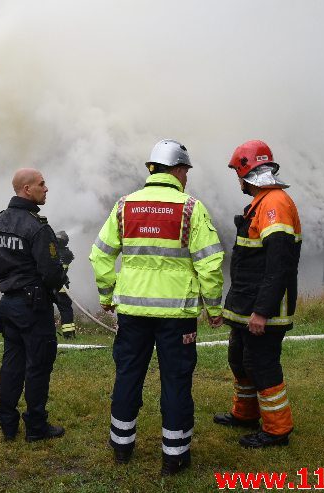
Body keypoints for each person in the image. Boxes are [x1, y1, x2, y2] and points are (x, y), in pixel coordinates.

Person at [89, 139, 224, 475]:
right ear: (178, 170)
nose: (187, 177)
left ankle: (121, 447)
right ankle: (174, 456)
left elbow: (100, 255)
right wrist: (214, 307)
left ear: (152, 169)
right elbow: (209, 263)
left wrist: (107, 296)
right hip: (177, 316)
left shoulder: (124, 206)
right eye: (186, 171)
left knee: (128, 375)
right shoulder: (191, 208)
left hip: (132, 313)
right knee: (176, 382)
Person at [213, 139, 302, 448]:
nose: (236, 180)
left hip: (264, 307)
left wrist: (262, 311)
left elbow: (279, 264)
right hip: (246, 303)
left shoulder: (274, 204)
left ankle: (277, 430)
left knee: (262, 365)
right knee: (240, 359)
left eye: (237, 173)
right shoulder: (261, 203)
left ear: (245, 171)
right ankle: (245, 414)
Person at [0, 168, 67, 442]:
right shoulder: (37, 227)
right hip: (34, 308)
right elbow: (52, 274)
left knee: (12, 364)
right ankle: (36, 426)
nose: (47, 188)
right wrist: (57, 276)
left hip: (9, 305)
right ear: (26, 189)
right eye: (42, 184)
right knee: (38, 365)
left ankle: (7, 425)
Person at [53, 230, 76, 338]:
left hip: (49, 286)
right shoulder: (67, 253)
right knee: (66, 310)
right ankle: (68, 334)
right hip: (61, 288)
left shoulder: (51, 252)